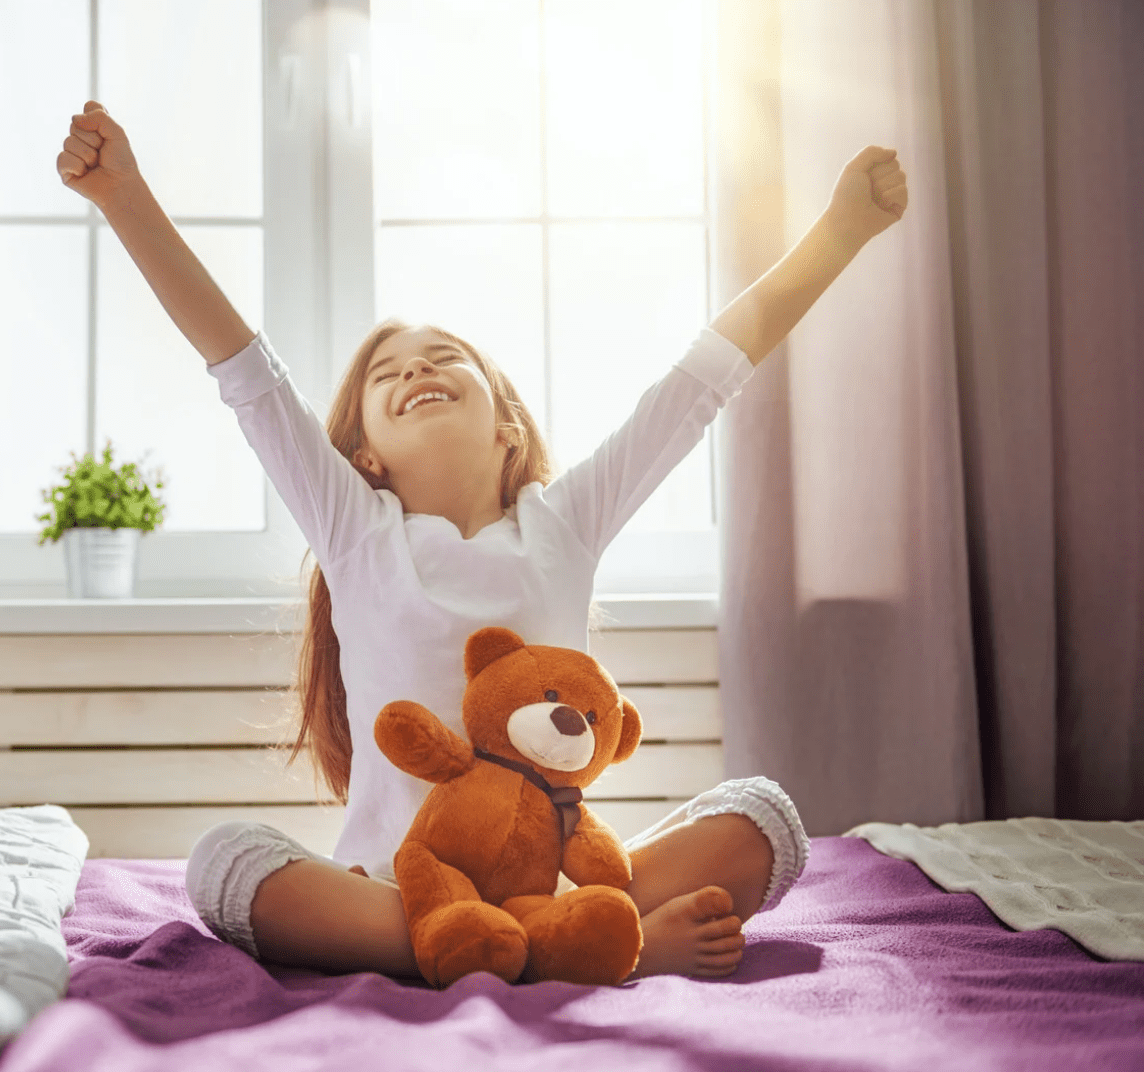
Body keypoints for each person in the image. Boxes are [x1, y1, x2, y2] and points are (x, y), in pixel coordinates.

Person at [56, 99, 908, 981]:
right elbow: (242, 367)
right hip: (400, 890)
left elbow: (700, 382)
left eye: (442, 358)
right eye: (387, 374)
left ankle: (516, 941)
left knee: (761, 818)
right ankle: (568, 946)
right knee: (226, 863)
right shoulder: (356, 529)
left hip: (553, 878)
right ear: (364, 460)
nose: (416, 369)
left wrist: (840, 233)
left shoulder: (563, 523)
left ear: (508, 424)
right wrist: (124, 198)